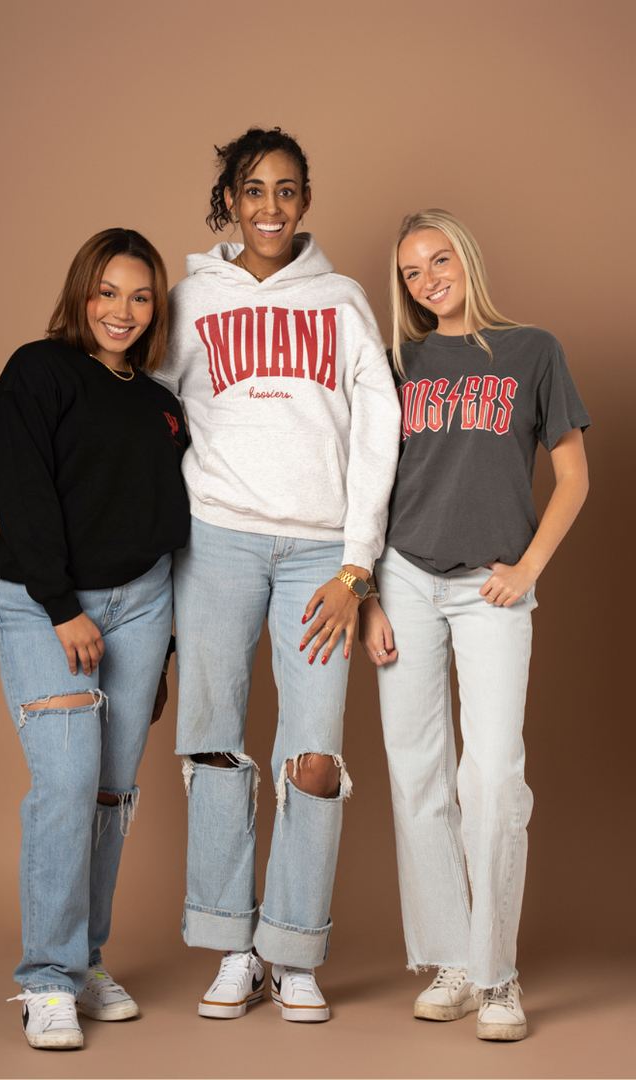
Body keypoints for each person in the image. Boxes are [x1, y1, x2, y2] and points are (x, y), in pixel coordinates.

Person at [155, 127, 400, 1022]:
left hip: (318, 558)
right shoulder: (191, 299)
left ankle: (293, 950)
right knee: (215, 741)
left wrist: (357, 564)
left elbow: (380, 433)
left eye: (286, 191)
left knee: (315, 755)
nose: (270, 207)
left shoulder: (341, 301)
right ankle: (231, 946)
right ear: (230, 198)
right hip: (215, 540)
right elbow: (147, 410)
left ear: (306, 199)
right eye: (253, 191)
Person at [359, 209, 590, 1041]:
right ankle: (452, 960)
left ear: (467, 257)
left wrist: (529, 568)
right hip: (405, 578)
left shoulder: (533, 350)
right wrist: (371, 597)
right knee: (418, 771)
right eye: (412, 273)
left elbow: (573, 477)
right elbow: (371, 486)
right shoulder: (395, 362)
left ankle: (498, 976)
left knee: (492, 776)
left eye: (438, 259)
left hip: (492, 584)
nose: (427, 280)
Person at [0, 228, 190, 1049]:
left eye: (141, 297)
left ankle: (86, 958)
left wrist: (165, 646)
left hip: (143, 607)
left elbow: (162, 520)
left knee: (110, 792)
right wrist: (64, 605)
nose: (122, 311)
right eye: (108, 291)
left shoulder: (160, 403)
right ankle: (46, 980)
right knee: (67, 783)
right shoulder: (38, 372)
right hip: (44, 603)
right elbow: (20, 487)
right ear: (81, 292)